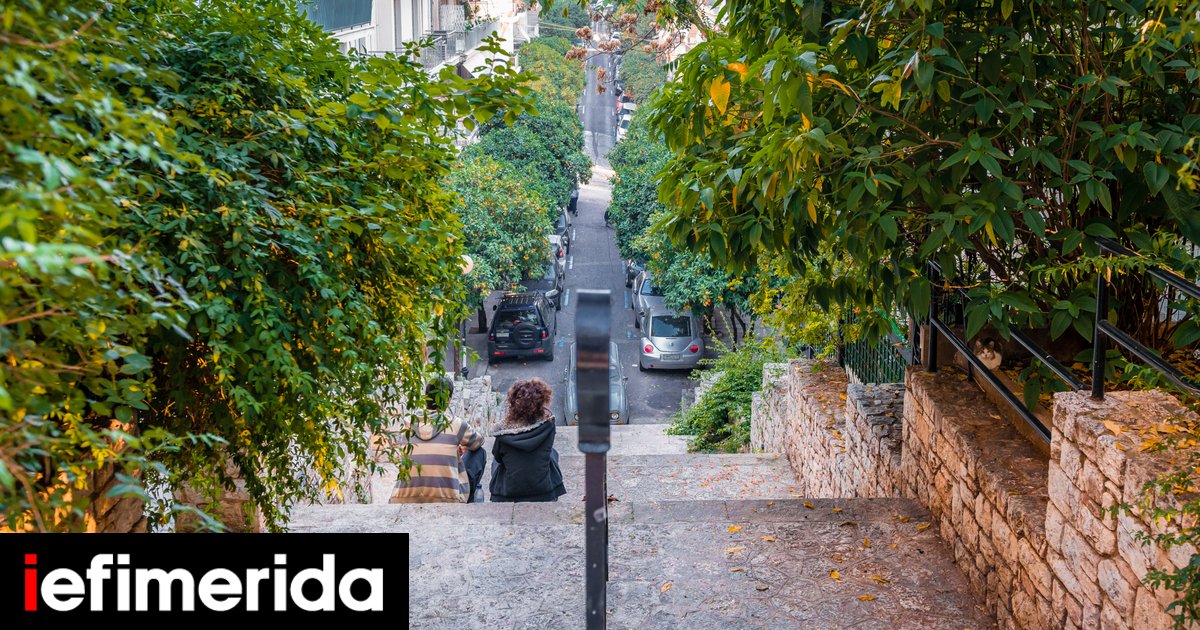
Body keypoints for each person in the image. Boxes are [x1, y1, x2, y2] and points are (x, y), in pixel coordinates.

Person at [389, 377, 485, 503]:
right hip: (447, 499)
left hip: (403, 498)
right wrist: (463, 447)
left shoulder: (408, 424)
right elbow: (479, 441)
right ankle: (468, 501)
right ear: (448, 401)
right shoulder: (455, 424)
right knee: (480, 452)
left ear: (426, 398)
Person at [489, 378, 567, 503]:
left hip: (509, 493)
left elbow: (498, 458)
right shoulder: (548, 426)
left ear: (513, 404)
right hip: (544, 491)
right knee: (552, 452)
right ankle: (553, 495)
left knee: (496, 461)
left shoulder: (502, 433)